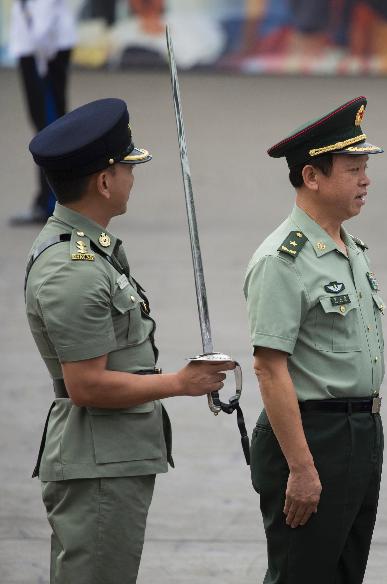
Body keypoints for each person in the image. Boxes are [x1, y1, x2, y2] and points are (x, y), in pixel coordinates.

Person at [24, 97, 235, 583]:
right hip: (98, 463)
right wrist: (181, 383)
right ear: (103, 181)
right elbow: (87, 386)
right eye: (126, 168)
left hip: (110, 456)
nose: (132, 178)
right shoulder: (71, 270)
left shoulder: (88, 250)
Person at [244, 96, 385, 584]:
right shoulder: (283, 259)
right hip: (312, 437)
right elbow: (269, 367)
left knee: (344, 573)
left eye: (365, 167)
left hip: (359, 433)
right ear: (311, 177)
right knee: (301, 574)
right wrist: (301, 468)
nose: (366, 179)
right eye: (353, 169)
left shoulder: (349, 247)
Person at [8, 0, 76, 226]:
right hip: (41, 48)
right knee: (48, 125)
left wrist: (41, 53)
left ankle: (53, 203)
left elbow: (43, 10)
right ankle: (51, 200)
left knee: (49, 130)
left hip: (43, 51)